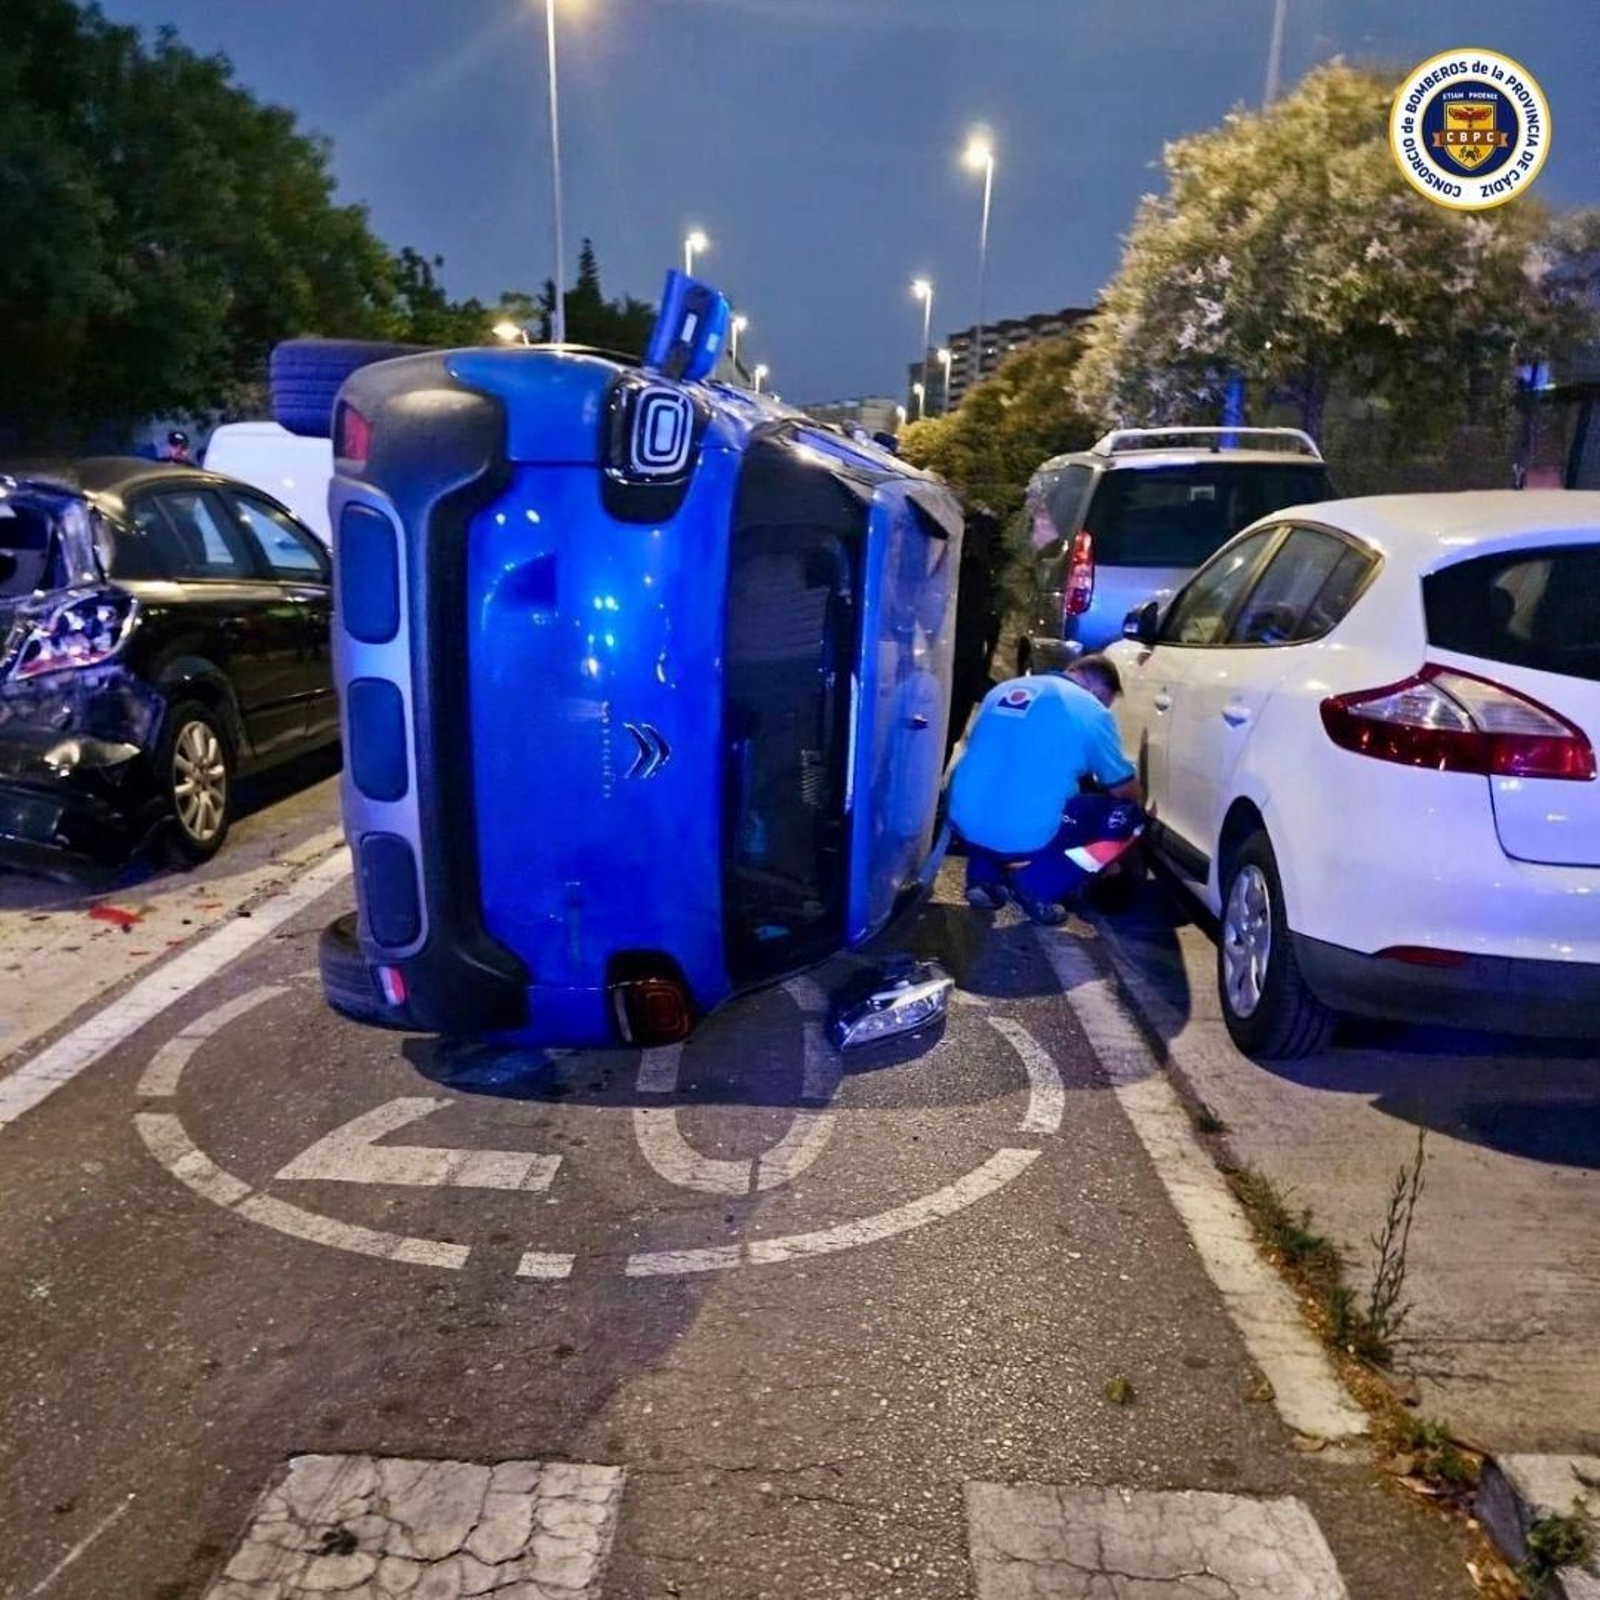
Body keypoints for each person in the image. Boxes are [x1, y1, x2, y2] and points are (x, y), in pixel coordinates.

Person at [948, 654, 1143, 924]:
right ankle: (1039, 886)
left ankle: (983, 879)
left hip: (962, 820)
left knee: (1001, 788)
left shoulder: (1002, 690)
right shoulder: (1092, 711)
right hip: (1024, 834)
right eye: (1105, 700)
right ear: (1097, 691)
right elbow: (1123, 790)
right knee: (1127, 814)